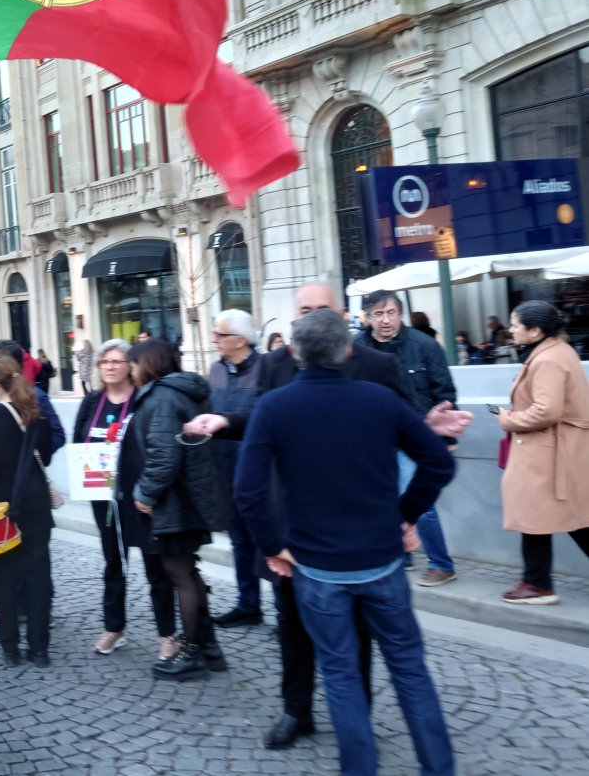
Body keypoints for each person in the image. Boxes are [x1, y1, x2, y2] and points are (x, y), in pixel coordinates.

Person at [235, 308, 456, 776]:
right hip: (381, 560)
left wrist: (273, 546)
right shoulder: (380, 400)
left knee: (341, 675)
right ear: (348, 350)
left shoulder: (275, 407)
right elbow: (439, 463)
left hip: (318, 569)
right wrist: (405, 514)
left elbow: (248, 490)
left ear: (295, 354)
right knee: (410, 670)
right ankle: (439, 768)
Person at [128, 340, 227, 680]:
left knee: (179, 573)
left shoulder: (162, 397)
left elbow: (165, 457)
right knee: (188, 571)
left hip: (177, 502)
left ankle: (192, 654)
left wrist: (145, 493)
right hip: (187, 498)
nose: (131, 369)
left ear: (149, 363)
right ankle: (208, 647)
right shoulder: (175, 392)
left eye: (134, 363)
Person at [73, 339, 174, 659]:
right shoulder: (92, 402)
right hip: (104, 497)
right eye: (105, 362)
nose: (111, 367)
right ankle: (114, 628)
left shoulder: (144, 399)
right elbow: (79, 442)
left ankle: (167, 634)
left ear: (131, 365)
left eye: (118, 361)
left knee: (155, 565)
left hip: (140, 496)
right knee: (113, 563)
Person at [356, 289, 459, 587]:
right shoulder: (356, 348)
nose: (385, 320)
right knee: (384, 498)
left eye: (390, 313)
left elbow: (445, 391)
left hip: (414, 436)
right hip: (373, 438)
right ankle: (403, 554)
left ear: (400, 314)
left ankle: (441, 563)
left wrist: (448, 438)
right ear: (368, 318)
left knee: (420, 502)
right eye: (378, 314)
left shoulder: (424, 345)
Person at [496, 300, 589, 604]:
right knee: (551, 516)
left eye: (515, 324)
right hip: (554, 449)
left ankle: (537, 584)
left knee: (549, 516)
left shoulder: (547, 359)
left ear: (535, 330)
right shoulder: (556, 351)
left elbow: (546, 411)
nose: (510, 330)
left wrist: (508, 419)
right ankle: (536, 581)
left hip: (549, 450)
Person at [0, 357, 54, 668]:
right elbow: (46, 453)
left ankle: (10, 649)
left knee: (3, 579)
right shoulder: (35, 412)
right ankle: (40, 649)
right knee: (39, 577)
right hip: (35, 504)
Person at [191, 309, 267, 628]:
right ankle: (248, 605)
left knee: (268, 541)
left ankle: (287, 613)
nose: (214, 339)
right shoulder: (216, 370)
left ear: (239, 339)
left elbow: (266, 418)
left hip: (260, 473)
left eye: (220, 334)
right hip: (225, 470)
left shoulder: (267, 369)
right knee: (239, 542)